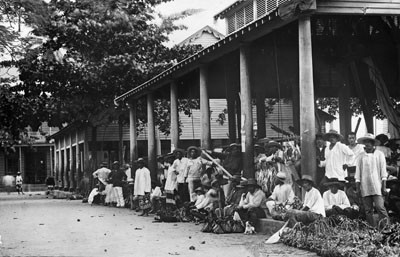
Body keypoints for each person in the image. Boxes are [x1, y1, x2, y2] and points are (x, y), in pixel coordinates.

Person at [355, 133, 389, 228]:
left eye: (369, 142)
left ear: (373, 143)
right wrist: (358, 188)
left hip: (377, 185)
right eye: (366, 142)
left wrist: (384, 186)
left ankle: (386, 228)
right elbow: (358, 173)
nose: (367, 144)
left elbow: (383, 172)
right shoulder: (361, 156)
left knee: (380, 207)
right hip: (365, 186)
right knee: (368, 210)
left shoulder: (379, 154)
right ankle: (372, 229)